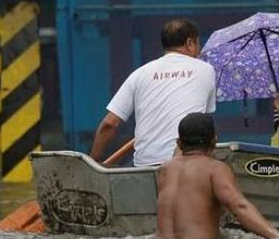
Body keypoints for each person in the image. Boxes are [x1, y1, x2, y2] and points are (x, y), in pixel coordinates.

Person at [89, 19, 216, 166]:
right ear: (189, 43)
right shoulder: (206, 70)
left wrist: (92, 162)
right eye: (198, 43)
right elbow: (201, 124)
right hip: (186, 165)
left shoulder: (139, 74)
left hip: (144, 166)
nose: (199, 49)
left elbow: (109, 124)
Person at [156, 113, 279, 239]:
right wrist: (277, 237)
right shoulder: (214, 168)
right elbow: (239, 207)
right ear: (214, 140)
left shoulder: (166, 169)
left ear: (179, 143)